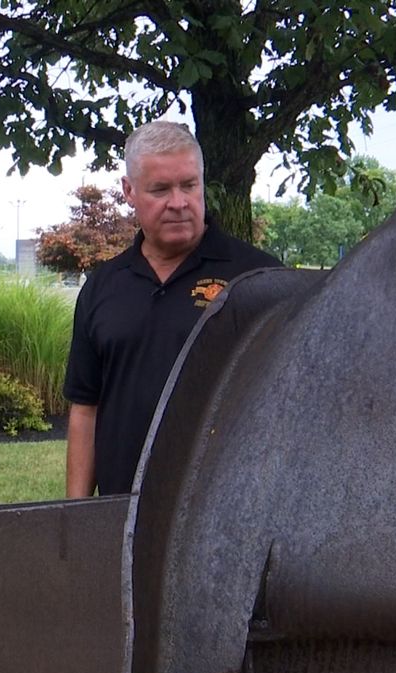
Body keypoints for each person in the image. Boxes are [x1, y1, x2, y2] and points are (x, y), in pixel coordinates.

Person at [63, 121, 282, 497]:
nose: (178, 202)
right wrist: (74, 516)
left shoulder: (257, 278)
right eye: (160, 189)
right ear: (129, 191)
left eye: (189, 185)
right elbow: (86, 409)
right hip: (122, 509)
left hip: (224, 508)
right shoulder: (103, 286)